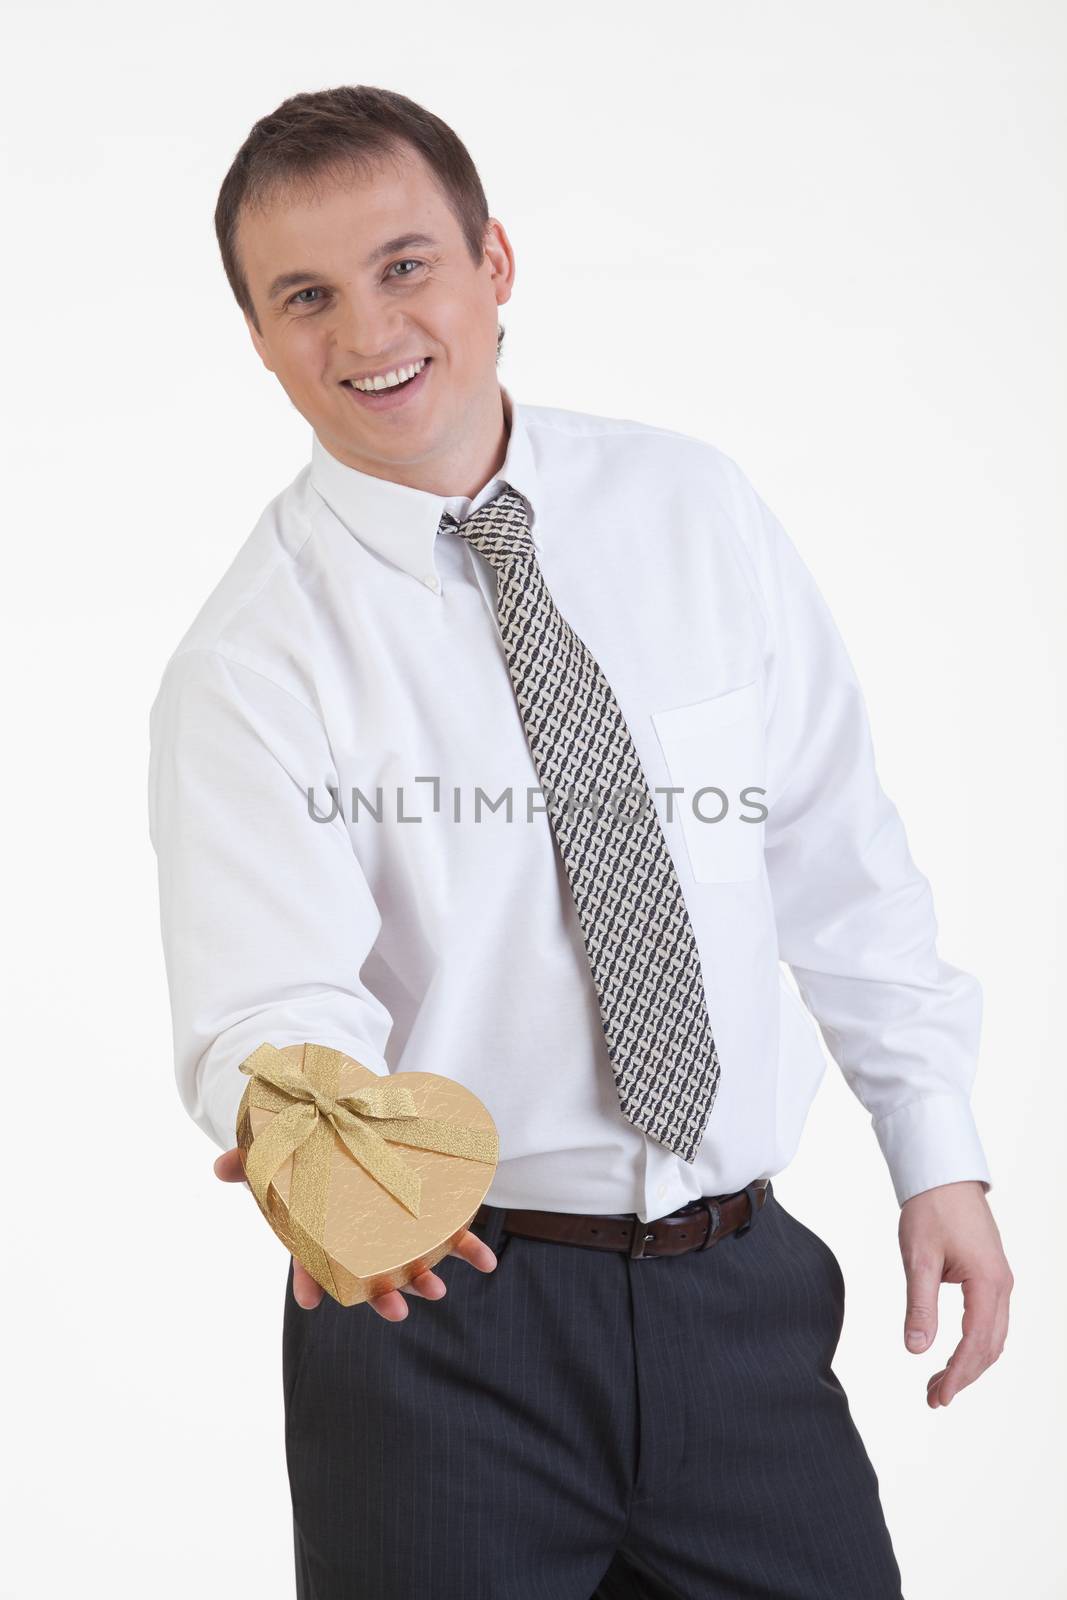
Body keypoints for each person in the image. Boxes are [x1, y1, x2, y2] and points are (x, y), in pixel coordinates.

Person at [147, 84, 1013, 1599]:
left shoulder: (692, 508)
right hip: (441, 1322)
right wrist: (319, 1141)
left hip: (742, 1298)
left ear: (494, 261)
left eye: (405, 264)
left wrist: (935, 1151)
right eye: (307, 297)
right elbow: (267, 998)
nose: (366, 333)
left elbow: (829, 843)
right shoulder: (251, 662)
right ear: (262, 339)